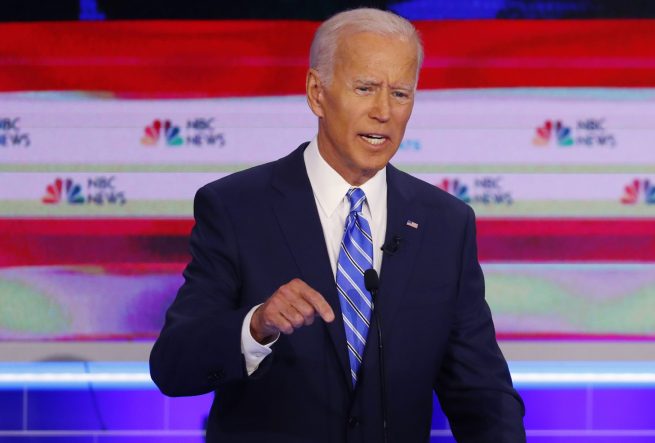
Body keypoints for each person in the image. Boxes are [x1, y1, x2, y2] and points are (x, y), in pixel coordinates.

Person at [150, 7, 526, 443]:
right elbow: (174, 365)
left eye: (401, 94)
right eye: (365, 89)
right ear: (316, 93)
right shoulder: (237, 208)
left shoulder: (445, 224)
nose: (383, 112)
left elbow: (481, 393)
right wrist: (256, 326)